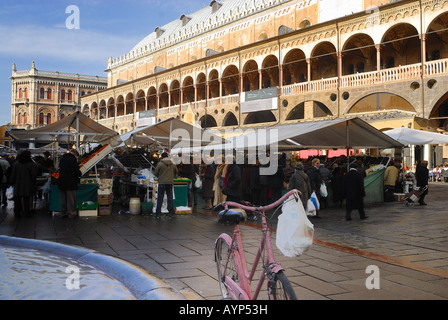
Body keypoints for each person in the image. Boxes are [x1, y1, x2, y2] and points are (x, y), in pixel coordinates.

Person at [9, 150, 38, 218]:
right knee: (26, 199)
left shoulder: (17, 164)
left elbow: (13, 174)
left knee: (17, 200)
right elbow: (34, 175)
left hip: (18, 184)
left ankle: (17, 213)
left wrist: (12, 182)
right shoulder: (32, 164)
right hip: (28, 184)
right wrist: (34, 182)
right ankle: (27, 213)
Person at [58, 149, 82, 219]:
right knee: (71, 199)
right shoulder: (72, 159)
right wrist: (79, 173)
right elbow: (75, 171)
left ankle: (63, 212)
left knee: (63, 198)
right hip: (70, 182)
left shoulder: (62, 159)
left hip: (62, 181)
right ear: (75, 155)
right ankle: (71, 213)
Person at [154, 152, 178, 217]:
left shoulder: (160, 164)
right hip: (170, 182)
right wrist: (172, 176)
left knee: (160, 197)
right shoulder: (173, 164)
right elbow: (176, 171)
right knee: (170, 197)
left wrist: (160, 175)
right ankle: (171, 212)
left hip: (162, 182)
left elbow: (156, 173)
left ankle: (158, 213)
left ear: (162, 157)